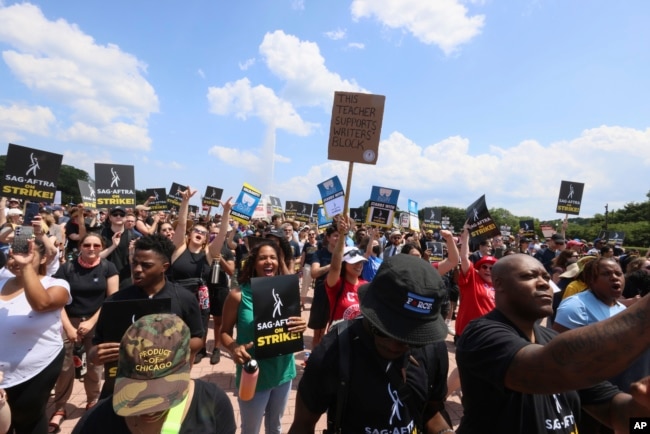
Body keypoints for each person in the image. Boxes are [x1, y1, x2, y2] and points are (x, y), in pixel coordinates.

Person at [455, 253, 650, 433]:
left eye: (546, 278)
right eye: (529, 276)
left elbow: (617, 413)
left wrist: (644, 418)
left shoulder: (550, 338)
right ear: (498, 283)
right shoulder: (481, 334)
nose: (543, 284)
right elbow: (554, 368)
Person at [289, 254, 454, 434]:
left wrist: (444, 431)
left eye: (411, 338)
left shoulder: (433, 349)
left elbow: (432, 410)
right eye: (385, 329)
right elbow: (302, 425)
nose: (396, 344)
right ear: (369, 312)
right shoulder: (333, 351)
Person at [72, 313, 236, 434]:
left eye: (162, 389)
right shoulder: (97, 420)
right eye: (136, 390)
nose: (148, 409)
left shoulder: (213, 403)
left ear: (188, 364)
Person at [89, 234, 204, 398]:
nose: (137, 269)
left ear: (164, 267)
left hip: (167, 386)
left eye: (146, 265)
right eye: (134, 263)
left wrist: (169, 347)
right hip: (122, 389)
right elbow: (97, 344)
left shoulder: (184, 299)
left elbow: (198, 339)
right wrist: (96, 355)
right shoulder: (115, 302)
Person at [220, 240, 307, 434]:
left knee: (275, 427)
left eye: (273, 257)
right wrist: (234, 347)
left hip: (284, 371)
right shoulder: (238, 295)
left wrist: (300, 326)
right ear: (253, 263)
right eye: (263, 258)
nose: (268, 261)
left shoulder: (287, 292)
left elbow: (292, 326)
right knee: (250, 429)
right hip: (254, 375)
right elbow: (224, 332)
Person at [48, 233, 119, 432]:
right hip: (68, 322)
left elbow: (111, 299)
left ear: (101, 247)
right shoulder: (67, 268)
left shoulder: (108, 267)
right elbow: (57, 301)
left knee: (95, 366)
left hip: (97, 322)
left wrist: (92, 322)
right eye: (87, 244)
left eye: (96, 245)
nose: (91, 248)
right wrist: (70, 328)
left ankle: (92, 402)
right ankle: (60, 408)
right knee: (64, 368)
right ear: (80, 246)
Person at [0, 238, 71, 433]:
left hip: (36, 367)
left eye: (26, 255)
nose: (16, 260)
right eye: (13, 254)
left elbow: (41, 304)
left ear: (42, 259)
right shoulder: (1, 280)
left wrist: (26, 267)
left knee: (26, 417)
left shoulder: (57, 284)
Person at [167, 187, 234, 364]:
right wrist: (185, 201)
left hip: (200, 299)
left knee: (196, 336)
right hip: (177, 296)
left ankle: (188, 366)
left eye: (203, 233)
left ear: (206, 239)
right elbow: (181, 224)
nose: (200, 233)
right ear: (189, 235)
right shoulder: (179, 248)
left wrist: (226, 211)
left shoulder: (209, 254)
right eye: (196, 231)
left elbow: (221, 234)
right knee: (174, 335)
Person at [324, 215, 367, 327]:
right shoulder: (336, 284)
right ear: (344, 263)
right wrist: (342, 235)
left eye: (360, 261)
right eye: (354, 262)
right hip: (338, 340)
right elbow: (334, 267)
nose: (359, 265)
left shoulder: (366, 286)